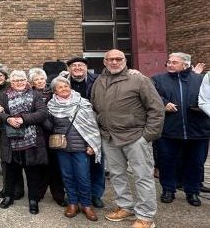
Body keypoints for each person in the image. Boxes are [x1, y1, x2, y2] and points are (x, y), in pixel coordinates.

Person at [91, 49, 164, 228]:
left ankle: (146, 216)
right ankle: (125, 206)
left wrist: (147, 136)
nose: (115, 62)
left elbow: (156, 109)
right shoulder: (99, 81)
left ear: (125, 60)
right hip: (109, 137)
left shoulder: (138, 79)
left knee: (142, 177)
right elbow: (94, 107)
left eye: (118, 59)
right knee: (117, 175)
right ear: (105, 62)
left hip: (135, 137)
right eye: (111, 59)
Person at [152, 52, 209, 206]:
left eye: (174, 62)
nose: (170, 64)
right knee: (167, 162)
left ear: (185, 64)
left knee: (195, 163)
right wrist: (163, 103)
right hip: (169, 131)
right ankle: (168, 190)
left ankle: (193, 192)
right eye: (168, 62)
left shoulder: (201, 79)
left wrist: (201, 106)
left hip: (198, 131)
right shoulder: (158, 79)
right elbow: (152, 97)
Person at [47, 76, 102, 221]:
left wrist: (92, 144)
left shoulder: (82, 103)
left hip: (81, 148)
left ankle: (86, 204)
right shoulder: (51, 106)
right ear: (55, 91)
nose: (64, 89)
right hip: (62, 147)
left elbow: (92, 126)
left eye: (66, 86)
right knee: (67, 176)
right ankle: (72, 203)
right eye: (60, 87)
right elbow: (49, 126)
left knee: (83, 177)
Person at [0, 70, 48, 215]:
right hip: (11, 140)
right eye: (16, 80)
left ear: (26, 81)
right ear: (11, 82)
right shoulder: (4, 96)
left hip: (32, 140)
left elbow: (43, 113)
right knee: (11, 171)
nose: (19, 82)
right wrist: (8, 119)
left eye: (22, 80)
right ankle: (8, 196)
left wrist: (23, 119)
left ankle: (33, 200)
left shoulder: (35, 95)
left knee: (32, 172)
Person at [61, 56, 106, 208]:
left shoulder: (98, 80)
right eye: (74, 66)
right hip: (72, 127)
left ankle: (95, 194)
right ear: (69, 69)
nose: (77, 68)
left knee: (96, 161)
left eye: (80, 65)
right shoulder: (63, 81)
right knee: (74, 166)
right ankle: (74, 195)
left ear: (86, 67)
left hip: (94, 125)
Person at [29, 68, 66, 208]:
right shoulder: (29, 95)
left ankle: (59, 195)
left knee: (55, 166)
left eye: (41, 78)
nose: (39, 81)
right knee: (41, 165)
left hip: (54, 132)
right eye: (36, 79)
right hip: (37, 133)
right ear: (32, 82)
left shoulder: (53, 93)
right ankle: (39, 193)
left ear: (45, 80)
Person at [0, 64, 24, 199]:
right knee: (4, 159)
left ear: (5, 77)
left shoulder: (11, 88)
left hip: (13, 126)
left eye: (1, 75)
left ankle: (19, 189)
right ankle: (6, 188)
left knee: (16, 158)